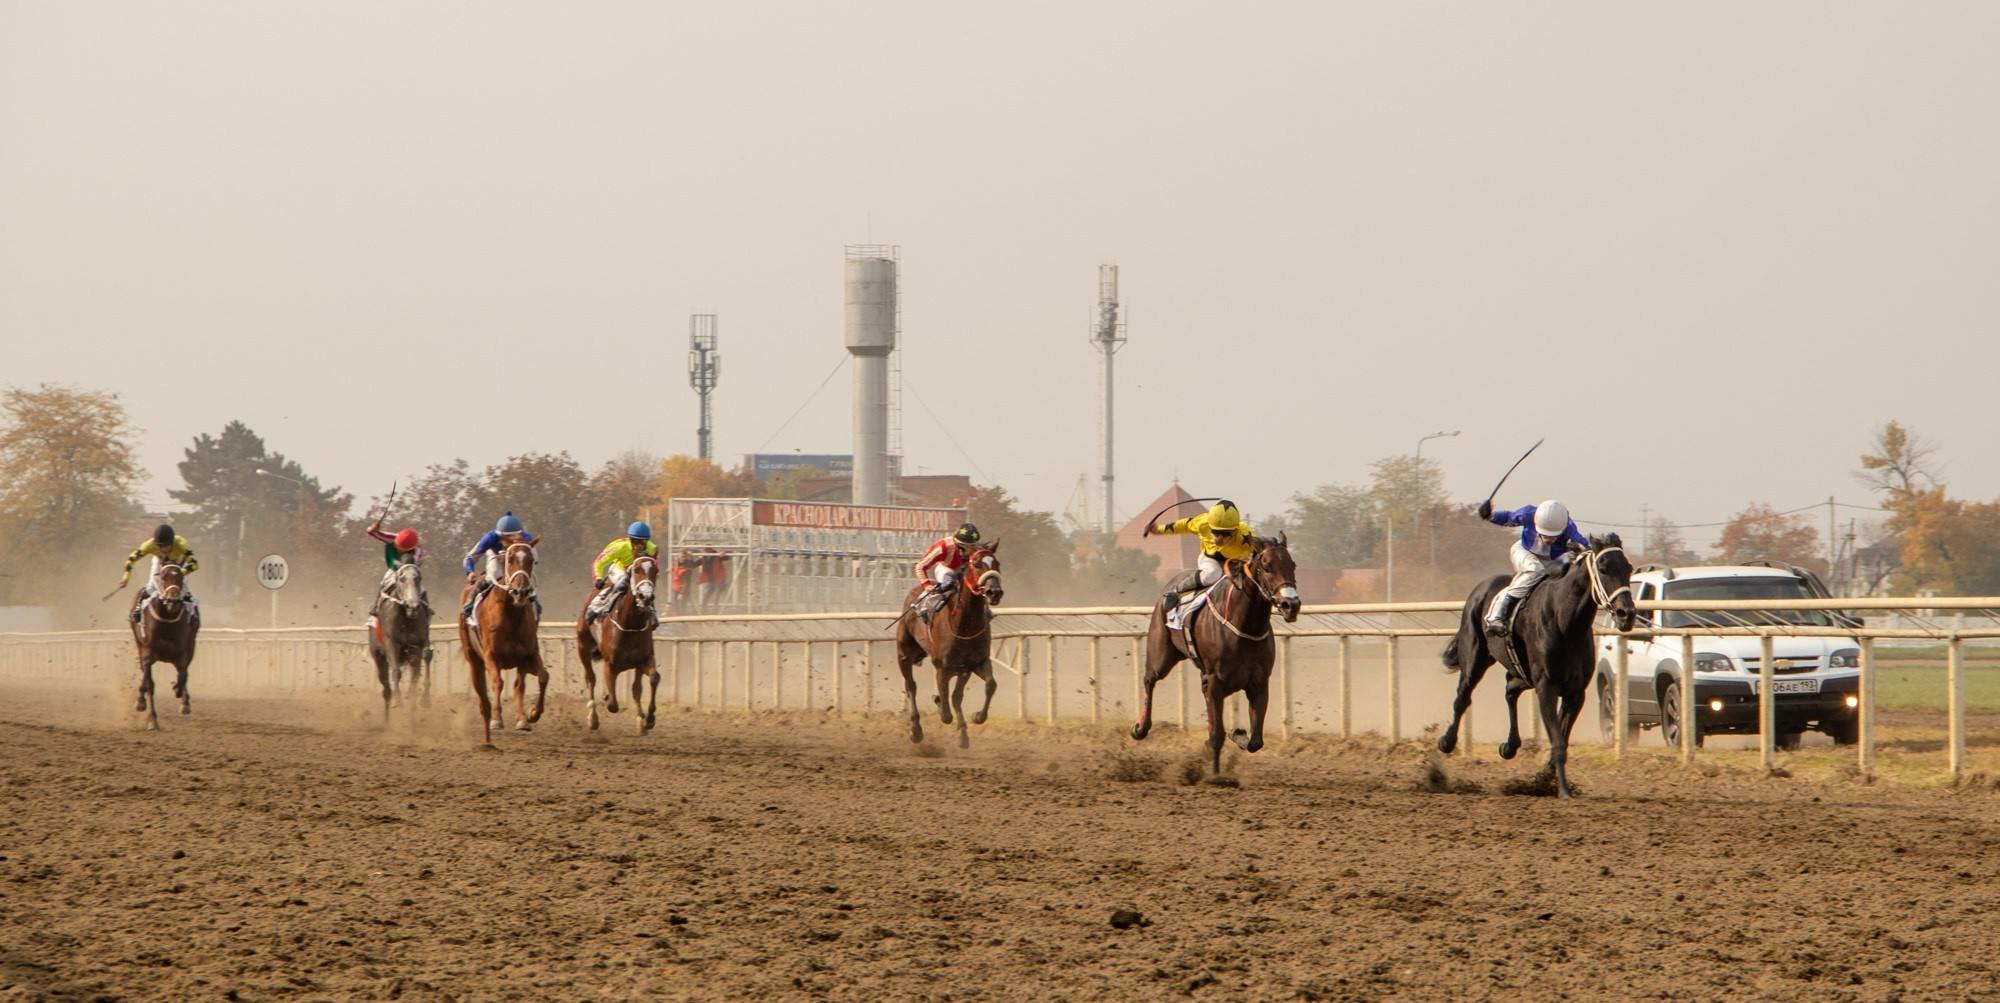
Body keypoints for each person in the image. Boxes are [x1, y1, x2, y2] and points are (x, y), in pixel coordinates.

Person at [1476, 497, 1589, 638]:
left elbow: (1587, 549)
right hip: (1524, 551)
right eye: (1545, 535)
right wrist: (1490, 516)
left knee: (1567, 568)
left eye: (1553, 537)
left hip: (1552, 561)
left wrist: (1580, 551)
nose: (1548, 540)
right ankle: (1495, 616)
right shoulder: (1528, 514)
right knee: (1535, 570)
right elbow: (1508, 518)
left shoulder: (1569, 529)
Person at [1148, 500, 1257, 613]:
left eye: (1225, 534)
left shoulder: (1245, 536)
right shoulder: (1202, 523)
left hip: (1236, 563)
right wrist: (1158, 530)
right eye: (1215, 532)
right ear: (1209, 527)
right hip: (1210, 560)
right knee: (1212, 574)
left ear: (1234, 531)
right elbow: (1184, 525)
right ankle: (1176, 590)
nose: (1219, 538)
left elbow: (1261, 551)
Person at [461, 511, 537, 623]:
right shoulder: (490, 538)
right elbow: (470, 557)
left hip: (515, 562)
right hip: (497, 557)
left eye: (513, 536)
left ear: (519, 533)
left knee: (524, 579)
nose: (510, 539)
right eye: (506, 537)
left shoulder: (526, 538)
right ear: (500, 534)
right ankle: (471, 602)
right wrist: (470, 571)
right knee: (495, 573)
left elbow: (535, 557)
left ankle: (535, 605)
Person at [119, 524, 199, 623]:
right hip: (159, 562)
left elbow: (194, 564)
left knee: (183, 586)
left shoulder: (181, 544)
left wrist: (180, 573)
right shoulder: (149, 545)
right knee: (152, 584)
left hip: (178, 563)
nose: (163, 549)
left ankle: (192, 613)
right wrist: (126, 577)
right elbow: (131, 559)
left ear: (172, 543)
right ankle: (138, 608)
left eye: (166, 546)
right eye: (159, 546)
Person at [585, 522, 658, 624]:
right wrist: (598, 578)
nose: (640, 545)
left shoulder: (652, 549)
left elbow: (654, 568)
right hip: (619, 570)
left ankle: (652, 613)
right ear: (630, 540)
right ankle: (596, 606)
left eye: (643, 542)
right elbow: (598, 563)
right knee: (623, 582)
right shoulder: (620, 548)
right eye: (636, 542)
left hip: (637, 573)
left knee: (646, 586)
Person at [912, 523, 981, 624]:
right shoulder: (943, 547)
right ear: (959, 546)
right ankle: (924, 605)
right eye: (970, 548)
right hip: (947, 568)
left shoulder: (976, 550)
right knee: (949, 582)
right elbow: (920, 566)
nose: (974, 551)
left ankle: (986, 611)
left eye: (975, 547)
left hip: (965, 569)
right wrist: (926, 585)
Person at [363, 519, 425, 616]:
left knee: (420, 588)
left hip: (408, 571)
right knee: (384, 583)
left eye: (402, 550)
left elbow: (414, 565)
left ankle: (426, 609)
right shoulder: (393, 537)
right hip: (393, 570)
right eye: (397, 546)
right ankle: (376, 605)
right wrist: (373, 528)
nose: (399, 550)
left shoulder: (418, 550)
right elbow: (371, 532)